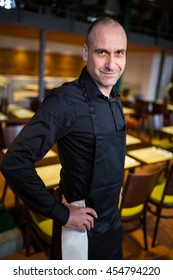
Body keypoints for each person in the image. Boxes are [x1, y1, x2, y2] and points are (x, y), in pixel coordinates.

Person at [0, 17, 127, 260]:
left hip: (112, 220)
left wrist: (115, 186)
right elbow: (14, 163)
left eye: (119, 53)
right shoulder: (64, 101)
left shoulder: (115, 99)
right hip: (79, 226)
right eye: (102, 52)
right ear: (86, 52)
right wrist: (61, 213)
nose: (112, 63)